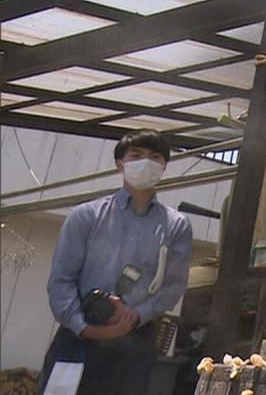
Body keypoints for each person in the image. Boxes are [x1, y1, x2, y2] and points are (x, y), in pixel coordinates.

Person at [38, 129, 194, 395]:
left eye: (155, 157)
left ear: (164, 167)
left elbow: (173, 285)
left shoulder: (176, 226)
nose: (146, 162)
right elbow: (61, 281)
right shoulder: (86, 216)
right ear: (120, 163)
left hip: (136, 341)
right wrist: (84, 326)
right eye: (137, 155)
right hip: (79, 337)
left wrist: (137, 314)